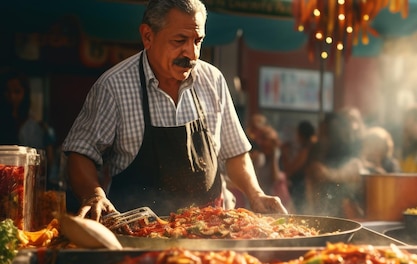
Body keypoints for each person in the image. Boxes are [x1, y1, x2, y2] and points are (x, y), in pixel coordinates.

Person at [62, 0, 286, 221]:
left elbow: (235, 152)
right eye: (180, 40)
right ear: (148, 36)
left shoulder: (213, 80)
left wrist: (255, 194)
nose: (192, 52)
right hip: (139, 236)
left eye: (198, 41)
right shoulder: (113, 86)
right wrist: (93, 194)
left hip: (212, 231)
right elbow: (81, 153)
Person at [1, 69, 57, 181]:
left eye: (17, 92)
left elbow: (46, 165)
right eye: (7, 91)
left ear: (25, 93)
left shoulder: (36, 127)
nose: (12, 97)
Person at [305, 111, 363, 218]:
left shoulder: (353, 162)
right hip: (322, 214)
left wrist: (326, 173)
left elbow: (337, 176)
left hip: (344, 216)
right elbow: (311, 186)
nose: (319, 137)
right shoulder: (320, 154)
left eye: (324, 133)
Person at [280, 120, 317, 213]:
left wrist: (284, 153)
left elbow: (291, 169)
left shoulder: (306, 150)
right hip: (302, 186)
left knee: (302, 212)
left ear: (301, 134)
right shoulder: (308, 147)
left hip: (302, 187)